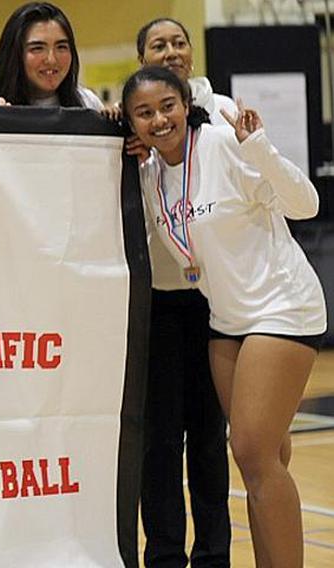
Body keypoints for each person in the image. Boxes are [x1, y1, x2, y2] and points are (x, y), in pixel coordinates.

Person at [123, 65, 326, 567]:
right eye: (143, 113)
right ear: (131, 123)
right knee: (267, 462)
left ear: (186, 103)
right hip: (226, 323)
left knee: (253, 456)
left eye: (167, 106)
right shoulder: (150, 176)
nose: (159, 120)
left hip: (281, 308)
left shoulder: (223, 144)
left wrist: (258, 145)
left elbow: (306, 204)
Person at [132, 18, 233, 568]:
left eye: (178, 42)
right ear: (142, 57)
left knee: (210, 438)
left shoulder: (221, 113)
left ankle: (215, 554)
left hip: (215, 302)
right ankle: (165, 553)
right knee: (161, 440)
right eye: (157, 45)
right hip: (157, 303)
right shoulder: (134, 123)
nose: (171, 51)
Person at [0, 2, 102, 110]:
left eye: (61, 47)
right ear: (14, 54)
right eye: (37, 48)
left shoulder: (88, 103)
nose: (51, 60)